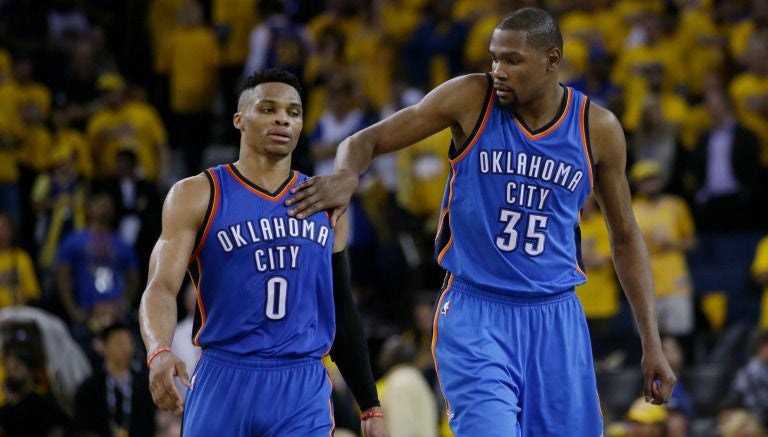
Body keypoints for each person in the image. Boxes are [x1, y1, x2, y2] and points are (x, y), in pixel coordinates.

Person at [286, 7, 675, 436]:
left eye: (512, 60)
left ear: (552, 59)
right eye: (494, 58)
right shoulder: (471, 98)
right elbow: (365, 140)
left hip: (556, 316)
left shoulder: (597, 128)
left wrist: (651, 343)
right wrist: (345, 176)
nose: (498, 70)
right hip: (476, 312)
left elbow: (625, 236)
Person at [138, 68, 387, 437]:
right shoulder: (197, 193)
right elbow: (160, 286)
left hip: (300, 383)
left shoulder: (325, 200)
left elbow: (340, 304)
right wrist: (158, 350)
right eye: (268, 109)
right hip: (224, 376)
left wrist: (369, 405)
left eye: (294, 111)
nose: (283, 118)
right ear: (239, 120)